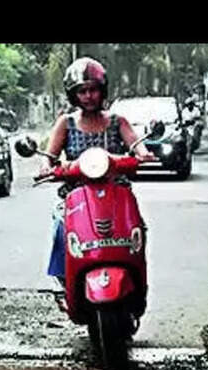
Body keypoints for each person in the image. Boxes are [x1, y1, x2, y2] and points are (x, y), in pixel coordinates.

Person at [38, 57, 155, 285]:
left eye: (93, 90)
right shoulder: (66, 123)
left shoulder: (116, 121)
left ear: (102, 91)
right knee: (61, 229)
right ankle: (64, 281)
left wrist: (143, 153)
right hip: (77, 195)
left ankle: (137, 276)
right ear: (74, 95)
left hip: (116, 192)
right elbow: (49, 157)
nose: (89, 96)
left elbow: (135, 144)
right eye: (82, 91)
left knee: (137, 230)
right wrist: (46, 168)